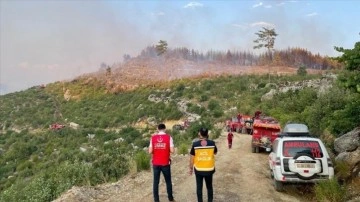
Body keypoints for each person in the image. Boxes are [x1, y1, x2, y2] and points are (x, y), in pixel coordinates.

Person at [189, 128, 218, 202]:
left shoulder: (195, 144)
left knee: (199, 187)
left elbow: (192, 158)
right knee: (209, 187)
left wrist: (191, 169)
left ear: (200, 134)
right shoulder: (212, 143)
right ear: (207, 134)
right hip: (209, 169)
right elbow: (215, 153)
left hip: (199, 170)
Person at [149, 123, 175, 202]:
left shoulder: (153, 138)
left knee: (155, 182)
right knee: (168, 181)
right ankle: (170, 198)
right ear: (165, 129)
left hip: (156, 163)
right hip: (165, 163)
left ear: (157, 129)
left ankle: (156, 200)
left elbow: (150, 151)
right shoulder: (169, 137)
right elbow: (172, 151)